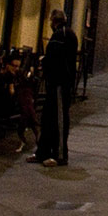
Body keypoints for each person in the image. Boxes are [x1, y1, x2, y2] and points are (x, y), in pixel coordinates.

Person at [28, 9, 77, 167]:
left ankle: (60, 155)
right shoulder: (65, 34)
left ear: (54, 21)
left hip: (60, 84)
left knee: (59, 119)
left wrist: (45, 62)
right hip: (55, 83)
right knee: (48, 118)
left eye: (50, 20)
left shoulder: (62, 35)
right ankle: (42, 152)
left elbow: (57, 58)